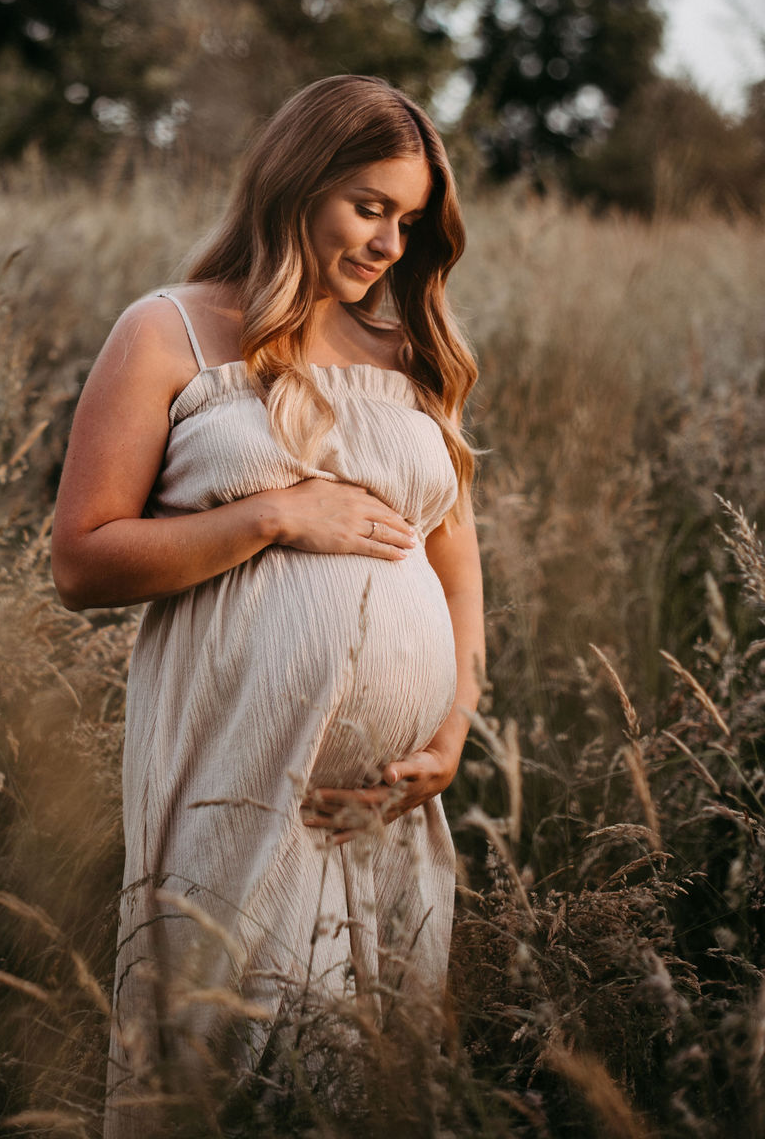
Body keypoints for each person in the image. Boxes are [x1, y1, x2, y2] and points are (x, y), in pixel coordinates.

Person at [51, 74, 485, 1136]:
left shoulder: (405, 356)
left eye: (410, 221)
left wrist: (453, 723)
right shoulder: (169, 333)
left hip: (380, 811)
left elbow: (456, 560)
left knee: (362, 1086)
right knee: (217, 1074)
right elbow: (82, 561)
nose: (389, 244)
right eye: (369, 207)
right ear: (297, 184)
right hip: (237, 780)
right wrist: (276, 516)